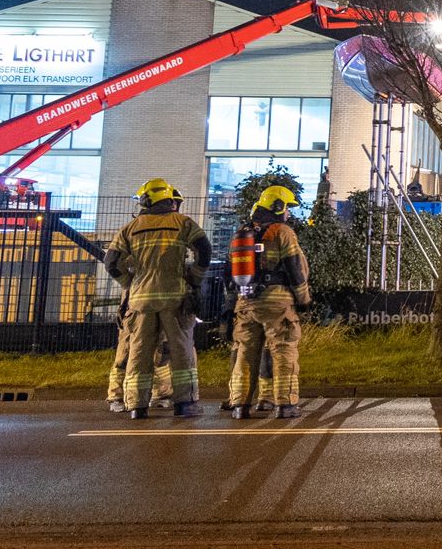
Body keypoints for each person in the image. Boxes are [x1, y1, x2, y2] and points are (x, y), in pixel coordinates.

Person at [102, 178, 210, 419]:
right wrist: (194, 280)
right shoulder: (183, 222)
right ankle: (185, 404)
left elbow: (111, 262)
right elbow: (204, 250)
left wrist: (130, 283)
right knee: (181, 352)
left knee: (139, 352)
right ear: (169, 199)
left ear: (146, 200)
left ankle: (137, 407)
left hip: (141, 301)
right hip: (175, 298)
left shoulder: (131, 228)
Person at [226, 184, 313, 420]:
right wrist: (304, 299)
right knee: (283, 351)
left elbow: (229, 272)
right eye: (287, 208)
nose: (289, 214)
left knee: (245, 354)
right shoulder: (282, 232)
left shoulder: (242, 234)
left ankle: (239, 405)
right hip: (277, 303)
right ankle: (285, 405)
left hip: (246, 303)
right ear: (278, 206)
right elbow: (295, 269)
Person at [105, 287, 173, 413]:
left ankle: (161, 393)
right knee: (125, 354)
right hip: (135, 310)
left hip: (157, 307)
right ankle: (117, 396)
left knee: (160, 353)